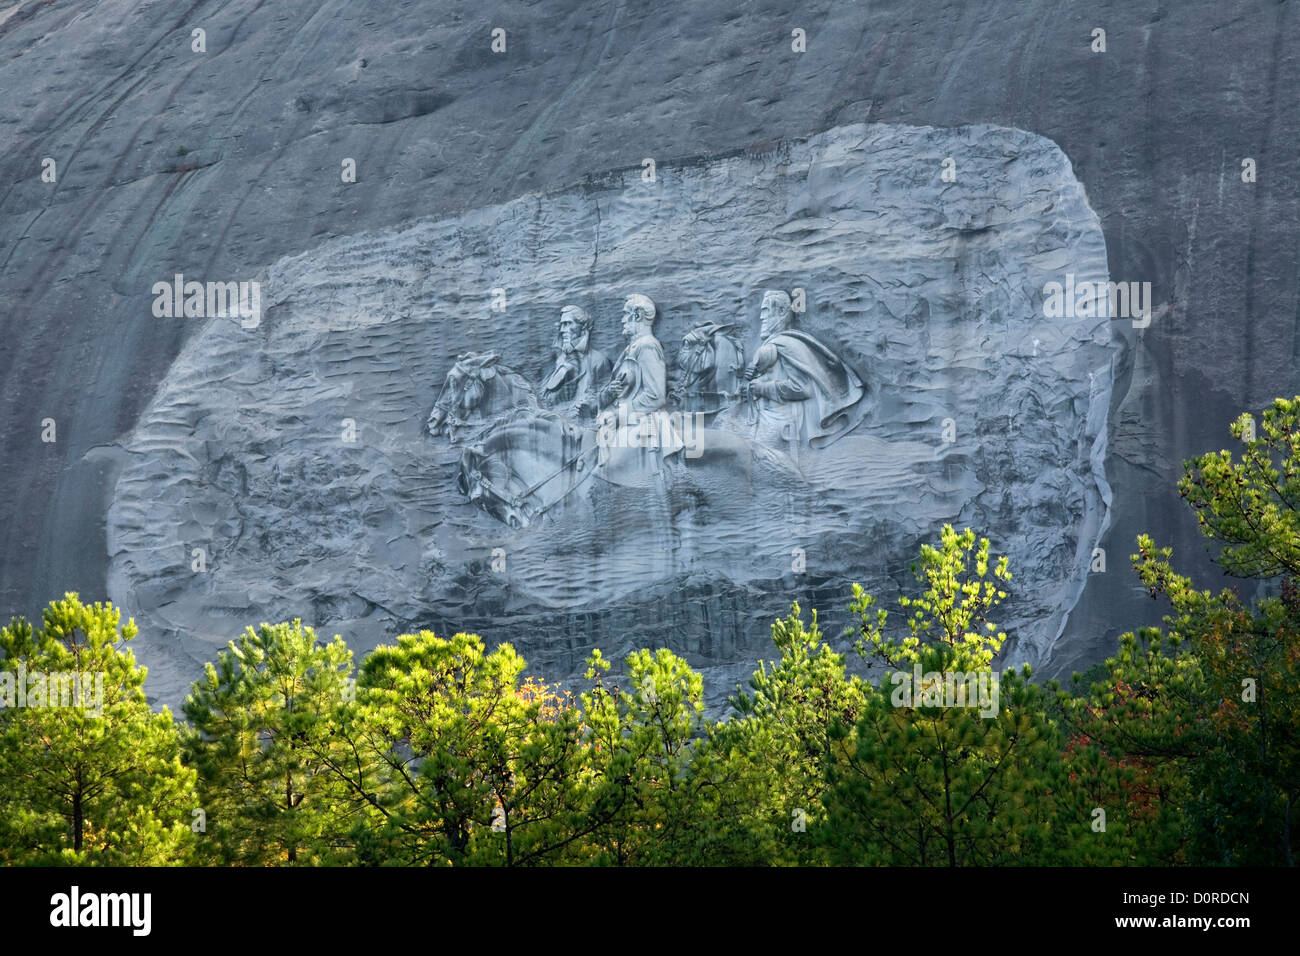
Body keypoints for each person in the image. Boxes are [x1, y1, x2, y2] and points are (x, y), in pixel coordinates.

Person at [737, 290, 867, 450]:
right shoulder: (775, 345)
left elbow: (802, 389)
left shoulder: (785, 345)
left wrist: (762, 388)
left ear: (781, 311)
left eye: (765, 311)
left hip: (779, 424)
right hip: (763, 418)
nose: (761, 317)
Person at [541, 305, 611, 415]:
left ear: (582, 327)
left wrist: (590, 407)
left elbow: (608, 398)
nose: (562, 330)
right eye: (561, 325)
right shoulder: (561, 360)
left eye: (568, 324)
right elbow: (547, 398)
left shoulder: (598, 360)